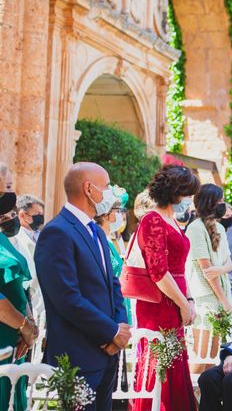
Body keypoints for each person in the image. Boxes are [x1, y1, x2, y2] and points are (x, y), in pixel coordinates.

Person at [34, 162, 129, 411]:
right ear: (89, 189)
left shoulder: (96, 232)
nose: (110, 193)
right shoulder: (57, 233)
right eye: (107, 186)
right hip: (78, 355)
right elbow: (67, 299)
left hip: (108, 354)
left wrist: (120, 328)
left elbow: (112, 284)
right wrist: (110, 331)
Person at [130, 165, 199, 411]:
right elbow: (158, 271)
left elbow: (179, 267)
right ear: (174, 192)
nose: (189, 200)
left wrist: (189, 300)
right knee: (160, 367)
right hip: (158, 306)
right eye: (187, 193)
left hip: (176, 300)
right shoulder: (153, 220)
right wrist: (183, 304)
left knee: (174, 365)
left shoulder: (171, 220)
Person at [0, 164, 38, 411]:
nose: (10, 194)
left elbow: (17, 283)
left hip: (16, 339)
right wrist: (24, 325)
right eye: (7, 187)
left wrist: (29, 325)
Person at [185, 183, 232, 373]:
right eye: (220, 201)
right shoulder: (195, 229)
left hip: (222, 296)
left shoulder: (220, 228)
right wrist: (225, 302)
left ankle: (204, 400)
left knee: (213, 356)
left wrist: (220, 269)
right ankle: (191, 398)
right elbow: (206, 271)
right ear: (209, 202)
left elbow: (229, 264)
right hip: (206, 300)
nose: (223, 204)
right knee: (201, 353)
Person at [94, 185, 132, 324]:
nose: (121, 215)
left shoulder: (107, 241)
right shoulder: (97, 241)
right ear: (105, 214)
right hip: (106, 314)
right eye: (118, 210)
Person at [9, 195, 44, 313]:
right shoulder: (15, 239)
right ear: (22, 215)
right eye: (37, 213)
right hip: (27, 301)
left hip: (43, 302)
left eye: (41, 214)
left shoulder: (44, 236)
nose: (40, 218)